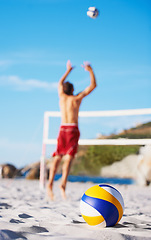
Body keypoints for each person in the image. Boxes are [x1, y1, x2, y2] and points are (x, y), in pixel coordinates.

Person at [47, 60, 97, 200]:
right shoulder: (76, 98)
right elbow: (93, 85)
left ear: (63, 89)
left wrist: (68, 71)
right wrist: (90, 70)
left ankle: (55, 184)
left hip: (64, 129)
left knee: (59, 158)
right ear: (73, 89)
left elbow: (59, 83)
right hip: (71, 130)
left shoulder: (63, 98)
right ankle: (55, 184)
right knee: (63, 159)